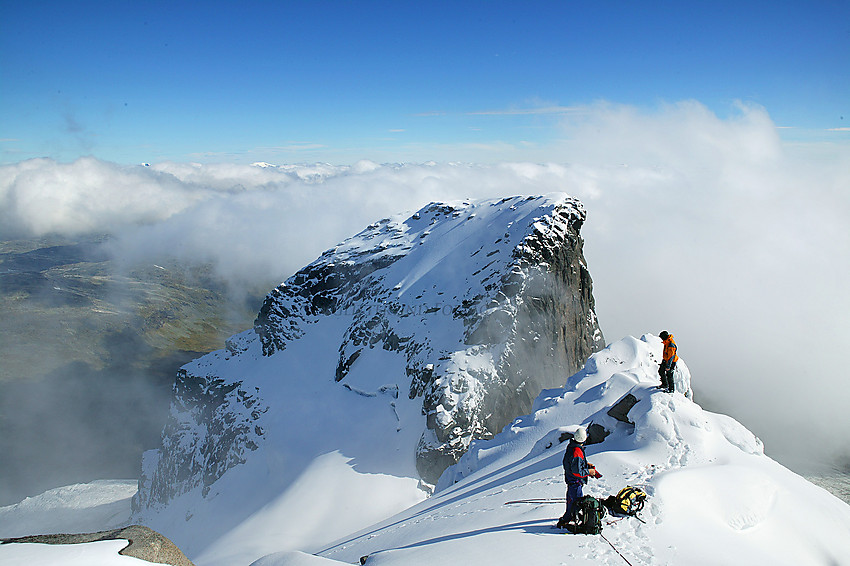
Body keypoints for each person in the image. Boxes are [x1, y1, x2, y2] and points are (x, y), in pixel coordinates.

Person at [557, 426, 600, 529]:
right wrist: (589, 471)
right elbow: (577, 472)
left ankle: (568, 518)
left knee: (571, 502)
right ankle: (571, 520)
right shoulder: (577, 450)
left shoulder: (572, 447)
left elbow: (572, 464)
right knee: (576, 503)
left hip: (572, 481)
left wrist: (585, 464)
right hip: (575, 482)